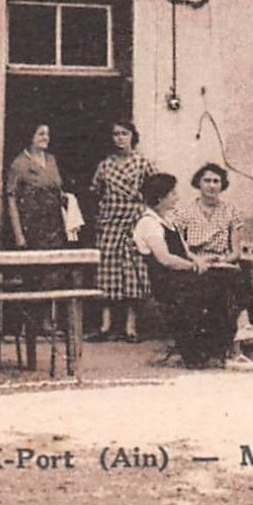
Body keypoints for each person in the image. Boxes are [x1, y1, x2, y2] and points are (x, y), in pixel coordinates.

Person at [133, 171, 253, 370]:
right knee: (225, 284)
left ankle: (238, 333)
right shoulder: (149, 224)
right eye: (173, 194)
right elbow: (166, 259)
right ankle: (235, 340)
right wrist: (195, 267)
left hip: (182, 277)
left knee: (229, 275)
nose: (177, 197)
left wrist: (201, 260)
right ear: (160, 197)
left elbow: (185, 251)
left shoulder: (167, 220)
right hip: (168, 283)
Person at [174, 163, 253, 350]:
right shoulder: (184, 212)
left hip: (222, 262)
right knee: (232, 278)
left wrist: (221, 260)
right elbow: (180, 247)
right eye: (207, 181)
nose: (212, 186)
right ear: (198, 183)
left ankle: (243, 327)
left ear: (222, 185)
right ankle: (243, 325)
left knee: (233, 275)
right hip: (195, 263)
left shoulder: (231, 211)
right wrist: (198, 260)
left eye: (216, 181)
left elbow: (235, 251)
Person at [88, 120, 158, 342]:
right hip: (109, 223)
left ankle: (131, 327)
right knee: (107, 272)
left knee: (132, 272)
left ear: (132, 136)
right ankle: (105, 325)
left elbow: (157, 189)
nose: (119, 138)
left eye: (124, 133)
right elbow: (95, 191)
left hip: (133, 224)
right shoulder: (105, 166)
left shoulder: (143, 163)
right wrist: (100, 216)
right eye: (115, 134)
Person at [4, 123, 67, 251]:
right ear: (30, 136)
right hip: (32, 227)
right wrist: (19, 235)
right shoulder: (19, 164)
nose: (46, 138)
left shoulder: (51, 160)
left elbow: (57, 187)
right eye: (41, 134)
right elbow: (12, 200)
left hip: (54, 227)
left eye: (48, 134)